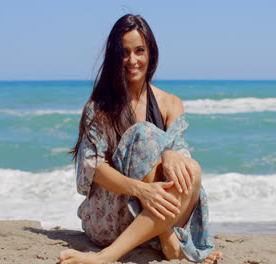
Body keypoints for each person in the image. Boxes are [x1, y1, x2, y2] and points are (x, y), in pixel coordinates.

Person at [60, 14, 222, 264]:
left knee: (192, 169)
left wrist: (169, 152)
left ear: (151, 54)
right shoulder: (99, 107)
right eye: (124, 53)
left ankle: (166, 239)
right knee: (142, 134)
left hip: (153, 215)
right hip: (110, 219)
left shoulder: (171, 103)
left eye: (139, 51)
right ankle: (113, 255)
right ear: (114, 57)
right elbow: (94, 168)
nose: (132, 60)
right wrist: (141, 190)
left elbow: (182, 166)